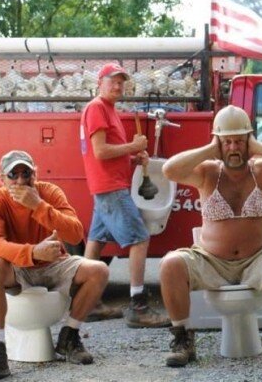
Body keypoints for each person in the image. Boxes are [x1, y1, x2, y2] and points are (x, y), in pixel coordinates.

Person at [159, 105, 262, 369]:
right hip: (211, 260)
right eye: (227, 142)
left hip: (258, 259)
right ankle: (183, 340)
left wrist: (257, 146)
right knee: (170, 264)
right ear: (218, 142)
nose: (233, 148)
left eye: (239, 141)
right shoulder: (207, 171)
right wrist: (209, 149)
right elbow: (169, 170)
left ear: (249, 140)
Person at [0, 150, 109, 382]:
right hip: (18, 267)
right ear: (1, 179)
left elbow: (75, 235)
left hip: (54, 264)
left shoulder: (50, 192)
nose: (21, 181)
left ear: (35, 174)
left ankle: (69, 336)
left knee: (99, 271)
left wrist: (38, 206)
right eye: (13, 175)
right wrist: (33, 252)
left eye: (26, 174)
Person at [80, 63, 169, 327]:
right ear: (100, 82)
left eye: (121, 82)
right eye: (113, 81)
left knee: (96, 240)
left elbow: (106, 153)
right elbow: (100, 151)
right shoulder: (97, 108)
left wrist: (132, 158)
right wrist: (133, 146)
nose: (118, 87)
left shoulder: (106, 109)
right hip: (110, 187)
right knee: (140, 238)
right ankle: (138, 307)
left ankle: (87, 302)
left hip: (104, 185)